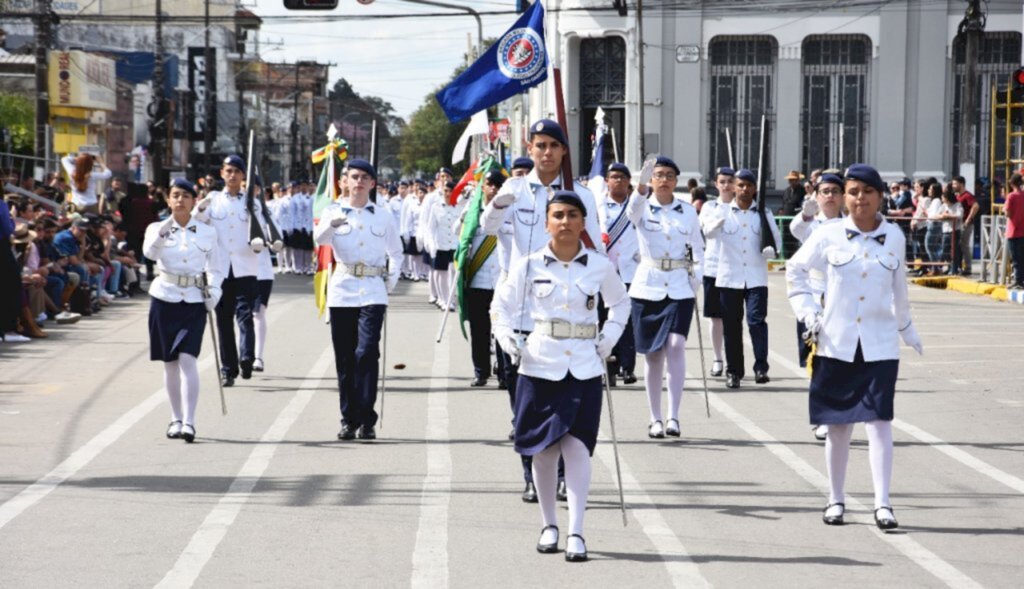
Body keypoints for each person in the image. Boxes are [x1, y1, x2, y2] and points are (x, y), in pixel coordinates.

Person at [492, 190, 629, 562]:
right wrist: (508, 340)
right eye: (557, 215)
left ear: (583, 223)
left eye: (572, 215)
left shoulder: (599, 266)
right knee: (544, 450)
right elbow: (500, 307)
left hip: (584, 365)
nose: (565, 222)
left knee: (577, 446)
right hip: (539, 364)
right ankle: (549, 524)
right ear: (547, 222)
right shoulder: (530, 265)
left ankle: (577, 530)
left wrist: (610, 338)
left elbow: (620, 304)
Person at [786, 163, 923, 530]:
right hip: (836, 342)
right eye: (853, 192)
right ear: (844, 198)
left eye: (867, 191)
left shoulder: (894, 236)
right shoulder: (828, 235)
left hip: (879, 344)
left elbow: (899, 290)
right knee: (838, 427)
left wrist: (907, 328)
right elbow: (795, 271)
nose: (859, 198)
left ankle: (883, 503)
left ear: (880, 196)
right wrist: (808, 312)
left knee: (880, 423)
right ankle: (836, 498)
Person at [482, 119, 605, 503]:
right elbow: (487, 228)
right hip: (521, 313)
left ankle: (566, 474)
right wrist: (498, 203)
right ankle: (533, 474)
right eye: (540, 145)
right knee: (526, 402)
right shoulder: (514, 189)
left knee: (570, 398)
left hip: (565, 315)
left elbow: (596, 254)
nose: (547, 152)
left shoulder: (578, 193)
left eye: (554, 145)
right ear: (530, 148)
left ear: (564, 151)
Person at [314, 159, 402, 441]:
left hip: (373, 289)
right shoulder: (332, 211)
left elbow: (396, 253)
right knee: (345, 358)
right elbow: (320, 240)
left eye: (365, 177)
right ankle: (348, 419)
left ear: (373, 183)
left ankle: (367, 418)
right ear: (344, 182)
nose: (359, 182)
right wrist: (331, 224)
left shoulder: (383, 215)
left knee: (366, 353)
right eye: (354, 177)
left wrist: (389, 281)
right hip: (343, 289)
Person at [626, 157, 703, 438]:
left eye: (670, 175)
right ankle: (654, 417)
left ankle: (674, 416)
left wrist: (697, 275)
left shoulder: (687, 211)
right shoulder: (642, 205)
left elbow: (697, 246)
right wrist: (640, 186)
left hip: (680, 285)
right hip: (649, 285)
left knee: (676, 345)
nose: (664, 180)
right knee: (654, 354)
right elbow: (630, 214)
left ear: (676, 180)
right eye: (659, 175)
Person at [143, 179, 224, 443]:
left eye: (185, 196)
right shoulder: (157, 228)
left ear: (193, 201)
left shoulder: (207, 231)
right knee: (170, 363)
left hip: (193, 300)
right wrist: (164, 231)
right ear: (168, 200)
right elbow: (150, 254)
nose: (180, 200)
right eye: (175, 195)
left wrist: (214, 291)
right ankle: (175, 418)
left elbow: (217, 266)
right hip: (164, 298)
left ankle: (190, 421)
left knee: (188, 359)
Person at [704, 168, 782, 388]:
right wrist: (714, 225)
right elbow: (708, 235)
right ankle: (734, 371)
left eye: (749, 185)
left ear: (755, 188)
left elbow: (777, 241)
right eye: (740, 185)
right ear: (734, 188)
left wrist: (772, 251)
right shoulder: (722, 212)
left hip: (756, 277)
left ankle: (760, 368)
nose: (744, 189)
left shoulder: (763, 213)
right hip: (730, 277)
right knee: (731, 326)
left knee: (757, 322)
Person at [193, 155, 262, 387]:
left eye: (237, 171)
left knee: (245, 315)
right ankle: (227, 368)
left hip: (245, 266)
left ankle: (246, 357)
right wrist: (200, 208)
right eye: (229, 171)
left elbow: (262, 229)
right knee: (223, 319)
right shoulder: (213, 200)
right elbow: (196, 224)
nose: (232, 175)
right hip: (219, 267)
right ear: (222, 173)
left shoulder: (252, 202)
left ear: (243, 176)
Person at [460, 169, 505, 387]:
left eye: (498, 185)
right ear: (483, 187)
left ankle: (504, 371)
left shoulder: (508, 211)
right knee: (479, 329)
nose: (493, 189)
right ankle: (481, 371)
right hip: (478, 278)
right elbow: (459, 237)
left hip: (502, 279)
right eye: (490, 184)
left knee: (503, 329)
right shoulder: (472, 210)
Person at [596, 162, 639, 384]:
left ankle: (628, 367)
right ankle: (608, 369)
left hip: (629, 271)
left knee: (627, 321)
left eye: (623, 177)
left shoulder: (635, 207)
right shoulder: (599, 207)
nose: (618, 181)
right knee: (605, 320)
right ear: (607, 181)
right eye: (614, 177)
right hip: (605, 272)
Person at [698, 167, 736, 377]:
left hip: (735, 268)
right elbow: (706, 231)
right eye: (722, 181)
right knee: (715, 318)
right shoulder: (709, 207)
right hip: (713, 267)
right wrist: (716, 223)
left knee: (732, 318)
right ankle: (717, 358)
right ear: (716, 183)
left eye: (730, 181)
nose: (726, 185)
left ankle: (733, 361)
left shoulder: (741, 207)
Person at [950, 175, 979, 276]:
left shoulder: (967, 195)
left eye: (955, 184)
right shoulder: (957, 196)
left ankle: (968, 267)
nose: (953, 186)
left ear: (961, 184)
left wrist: (967, 220)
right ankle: (958, 266)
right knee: (958, 246)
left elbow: (975, 206)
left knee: (964, 245)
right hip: (958, 225)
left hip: (966, 225)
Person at [1004, 173, 1024, 289]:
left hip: (1013, 231)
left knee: (1016, 258)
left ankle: (1018, 281)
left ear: (1011, 184)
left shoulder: (1011, 196)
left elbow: (1007, 213)